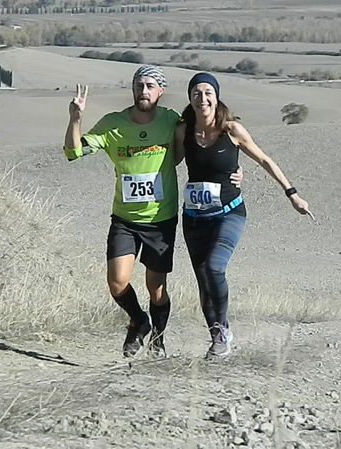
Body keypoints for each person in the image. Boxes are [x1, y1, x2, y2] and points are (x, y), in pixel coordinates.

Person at [63, 66, 241, 359]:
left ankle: (158, 341)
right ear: (132, 89)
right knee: (117, 282)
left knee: (156, 289)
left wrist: (234, 169)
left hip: (161, 219)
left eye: (150, 86)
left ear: (160, 91)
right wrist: (75, 120)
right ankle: (138, 320)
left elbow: (211, 135)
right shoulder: (112, 124)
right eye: (138, 85)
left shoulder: (172, 120)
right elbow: (73, 152)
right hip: (125, 219)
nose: (143, 91)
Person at [175, 72, 314, 358]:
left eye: (207, 93)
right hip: (193, 217)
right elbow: (168, 161)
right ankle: (217, 334)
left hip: (229, 213)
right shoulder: (183, 131)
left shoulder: (232, 130)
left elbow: (264, 159)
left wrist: (292, 194)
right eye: (196, 93)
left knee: (214, 267)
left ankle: (224, 328)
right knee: (203, 278)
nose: (202, 98)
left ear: (216, 96)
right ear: (190, 98)